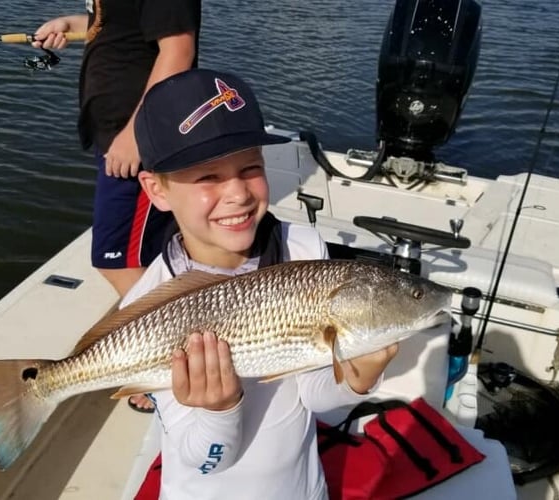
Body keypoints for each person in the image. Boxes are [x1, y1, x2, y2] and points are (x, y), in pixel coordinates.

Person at [120, 68, 399, 499]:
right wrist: (219, 410)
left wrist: (357, 377)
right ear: (156, 190)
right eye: (207, 177)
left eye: (250, 167)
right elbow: (206, 458)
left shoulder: (304, 247)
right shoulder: (146, 309)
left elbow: (312, 395)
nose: (238, 193)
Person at [33, 2, 200, 412]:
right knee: (151, 255)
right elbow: (114, 22)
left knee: (116, 260)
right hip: (116, 137)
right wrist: (71, 25)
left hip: (138, 142)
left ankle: (169, 363)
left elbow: (178, 49)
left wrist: (136, 135)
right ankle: (184, 354)